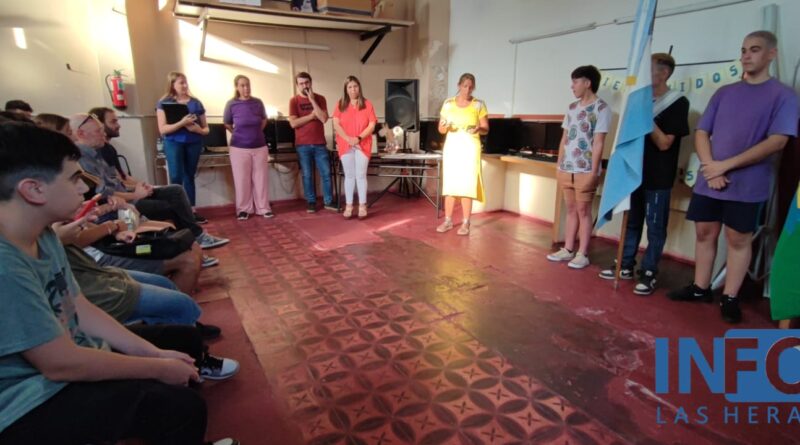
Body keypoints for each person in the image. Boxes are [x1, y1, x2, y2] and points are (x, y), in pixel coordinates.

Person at [0, 123, 237, 445]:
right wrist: (156, 368)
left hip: (73, 349)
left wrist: (153, 354)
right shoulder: (6, 264)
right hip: (27, 399)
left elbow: (78, 306)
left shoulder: (42, 235)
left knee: (183, 339)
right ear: (34, 189)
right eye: (73, 178)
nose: (83, 189)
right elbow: (60, 365)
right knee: (181, 407)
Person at [668, 31, 798, 323]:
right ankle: (701, 287)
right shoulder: (724, 92)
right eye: (743, 50)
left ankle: (730, 296)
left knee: (738, 238)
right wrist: (710, 166)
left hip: (747, 183)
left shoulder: (784, 95)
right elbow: (702, 131)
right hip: (710, 178)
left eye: (754, 49)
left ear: (771, 54)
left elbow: (777, 141)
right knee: (704, 232)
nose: (746, 55)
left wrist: (724, 166)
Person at [71, 113, 228, 255]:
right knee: (171, 207)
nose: (104, 133)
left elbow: (119, 180)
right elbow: (104, 194)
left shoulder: (98, 153)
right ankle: (188, 249)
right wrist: (136, 195)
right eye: (99, 130)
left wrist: (143, 186)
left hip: (127, 196)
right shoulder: (82, 159)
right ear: (81, 134)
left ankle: (197, 238)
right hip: (118, 206)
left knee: (175, 190)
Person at [598, 53, 690, 295]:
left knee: (655, 226)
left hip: (658, 175)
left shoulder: (677, 102)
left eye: (648, 71)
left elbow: (664, 143)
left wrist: (644, 115)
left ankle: (649, 272)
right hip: (634, 171)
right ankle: (625, 263)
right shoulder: (639, 101)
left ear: (664, 73)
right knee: (631, 221)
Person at [546, 65, 612, 269]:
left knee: (584, 210)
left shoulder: (602, 108)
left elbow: (599, 142)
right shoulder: (572, 107)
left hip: (585, 169)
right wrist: (559, 164)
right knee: (571, 208)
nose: (572, 86)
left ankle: (583, 252)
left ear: (587, 83)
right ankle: (568, 249)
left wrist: (594, 171)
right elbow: (565, 137)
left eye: (575, 82)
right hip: (567, 167)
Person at [435, 73, 489, 236]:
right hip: (453, 146)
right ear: (459, 86)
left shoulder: (479, 104)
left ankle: (466, 222)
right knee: (450, 184)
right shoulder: (448, 104)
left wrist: (478, 128)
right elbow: (441, 129)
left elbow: (485, 128)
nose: (467, 90)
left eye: (471, 87)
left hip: (470, 147)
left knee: (467, 185)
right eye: (465, 86)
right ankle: (448, 220)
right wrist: (445, 126)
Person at [156, 71, 209, 223]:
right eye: (181, 83)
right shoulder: (164, 102)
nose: (185, 85)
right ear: (172, 84)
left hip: (194, 142)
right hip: (173, 142)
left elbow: (206, 129)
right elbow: (163, 129)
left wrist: (198, 130)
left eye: (186, 82)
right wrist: (182, 123)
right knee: (176, 177)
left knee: (189, 176)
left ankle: (191, 211)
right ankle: (177, 212)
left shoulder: (196, 103)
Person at [223, 74, 273, 220]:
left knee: (261, 179)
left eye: (248, 85)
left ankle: (263, 208)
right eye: (243, 85)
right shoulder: (231, 104)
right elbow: (227, 123)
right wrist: (238, 133)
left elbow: (264, 120)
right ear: (237, 87)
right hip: (239, 147)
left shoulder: (258, 102)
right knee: (241, 180)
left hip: (259, 146)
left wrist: (256, 133)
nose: (246, 88)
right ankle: (243, 209)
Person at [289, 71, 335, 213]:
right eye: (301, 83)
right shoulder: (294, 101)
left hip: (320, 143)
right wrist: (311, 116)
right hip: (302, 145)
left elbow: (323, 118)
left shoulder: (320, 98)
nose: (305, 86)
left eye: (307, 83)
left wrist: (312, 100)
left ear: (311, 83)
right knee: (307, 175)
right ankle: (311, 202)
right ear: (297, 85)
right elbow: (293, 123)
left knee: (326, 173)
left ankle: (328, 201)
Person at [332, 76, 378, 219]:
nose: (353, 90)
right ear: (346, 89)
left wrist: (358, 138)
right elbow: (336, 124)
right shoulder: (340, 104)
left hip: (362, 144)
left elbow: (372, 125)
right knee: (349, 175)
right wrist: (348, 139)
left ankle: (362, 205)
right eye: (350, 87)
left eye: (355, 86)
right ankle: (349, 205)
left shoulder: (367, 104)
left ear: (359, 87)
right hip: (345, 144)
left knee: (361, 175)